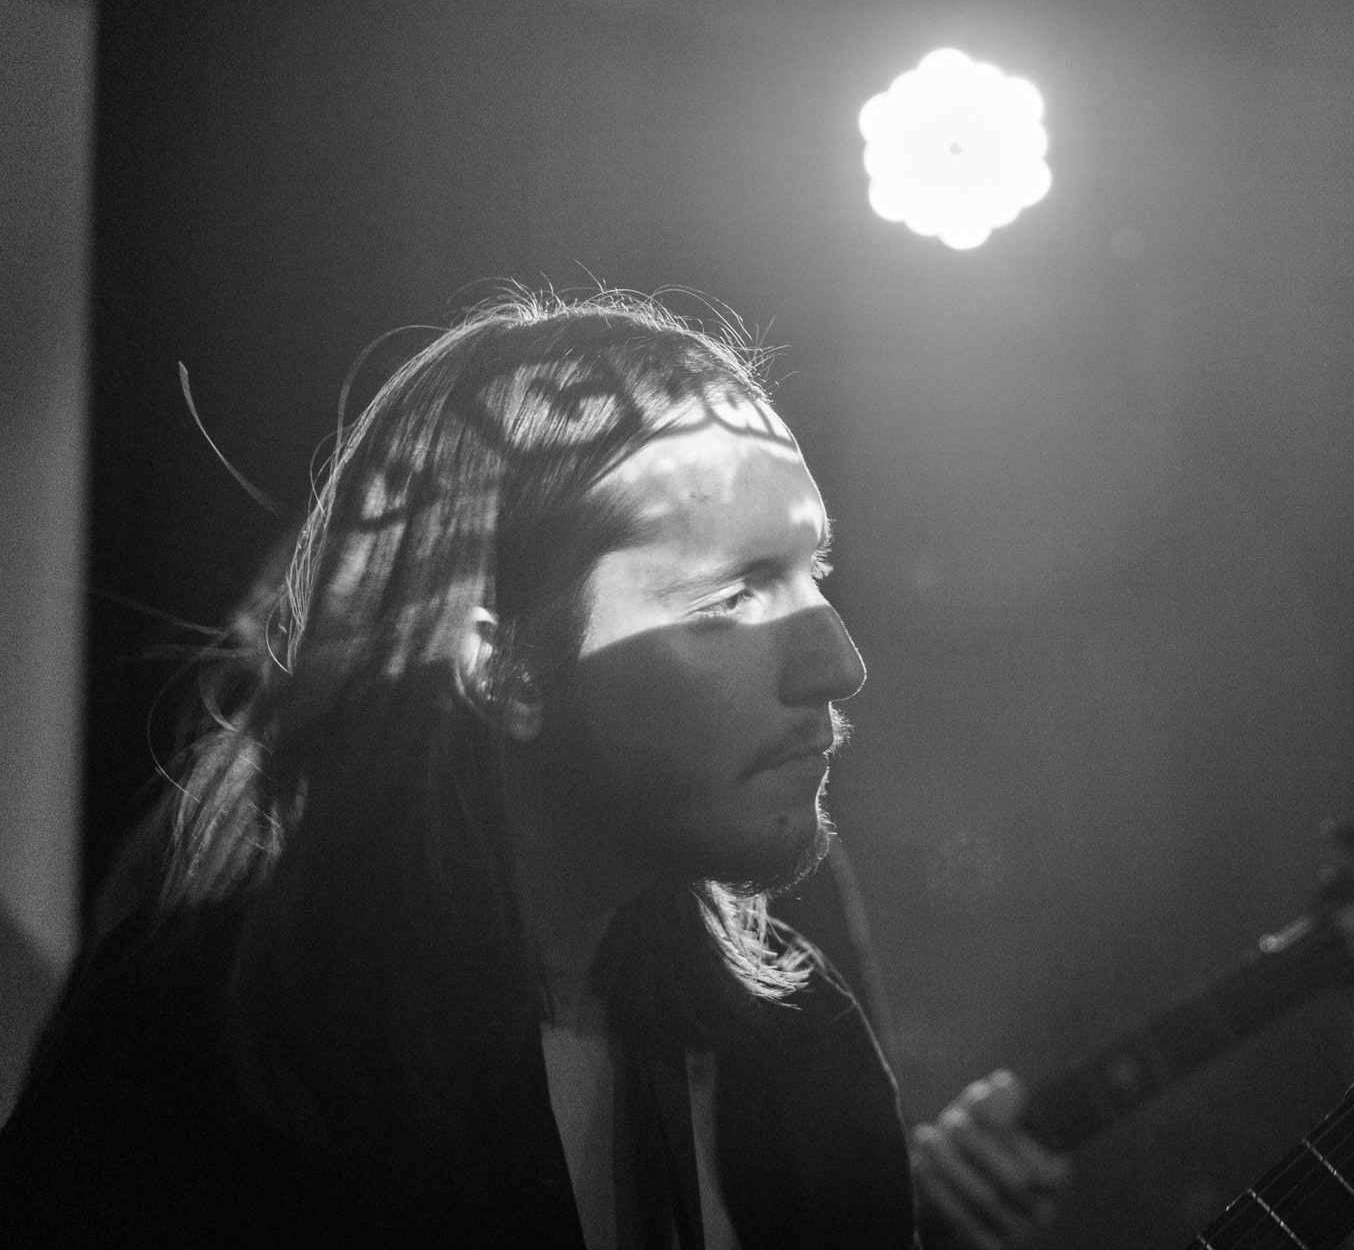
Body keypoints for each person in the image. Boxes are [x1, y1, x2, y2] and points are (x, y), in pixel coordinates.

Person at [0, 292, 1068, 1248]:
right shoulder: (201, 1048)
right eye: (734, 594)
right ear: (499, 664)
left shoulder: (798, 1043)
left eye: (812, 570)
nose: (840, 661)